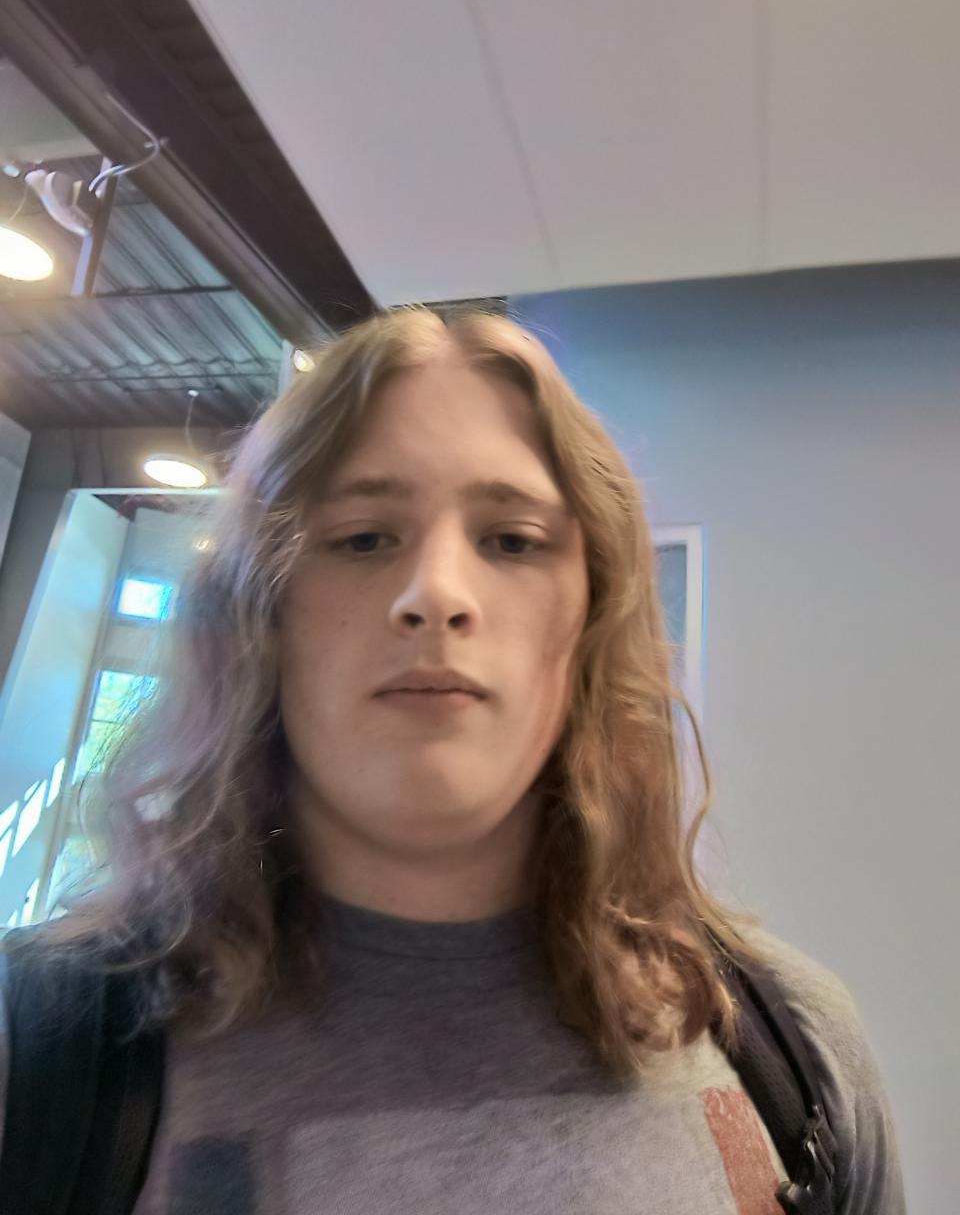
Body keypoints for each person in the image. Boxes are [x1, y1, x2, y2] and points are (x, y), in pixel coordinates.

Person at [0, 307, 905, 1213]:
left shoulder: (794, 1048)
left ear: (592, 617)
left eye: (512, 540)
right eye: (363, 538)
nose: (435, 593)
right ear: (261, 613)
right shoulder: (37, 1050)